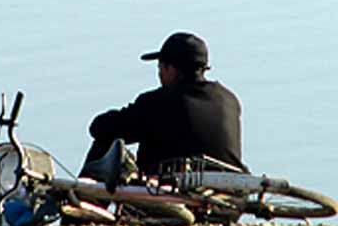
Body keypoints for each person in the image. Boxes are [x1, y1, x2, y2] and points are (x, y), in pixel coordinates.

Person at [80, 32, 248, 179]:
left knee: (107, 142)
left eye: (160, 66)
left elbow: (99, 128)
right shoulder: (229, 100)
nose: (159, 73)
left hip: (170, 197)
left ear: (171, 69)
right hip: (229, 198)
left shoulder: (158, 102)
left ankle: (77, 211)